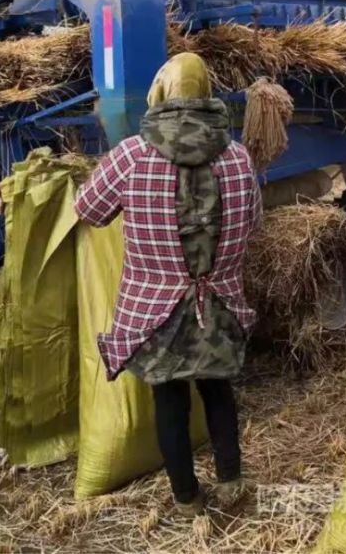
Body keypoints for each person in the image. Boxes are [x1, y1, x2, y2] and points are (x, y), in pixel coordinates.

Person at [74, 52, 262, 517]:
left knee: (169, 397)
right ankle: (231, 481)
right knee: (217, 390)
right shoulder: (237, 157)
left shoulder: (131, 156)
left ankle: (186, 498)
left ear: (160, 94)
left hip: (154, 309)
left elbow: (88, 210)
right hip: (219, 302)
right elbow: (254, 221)